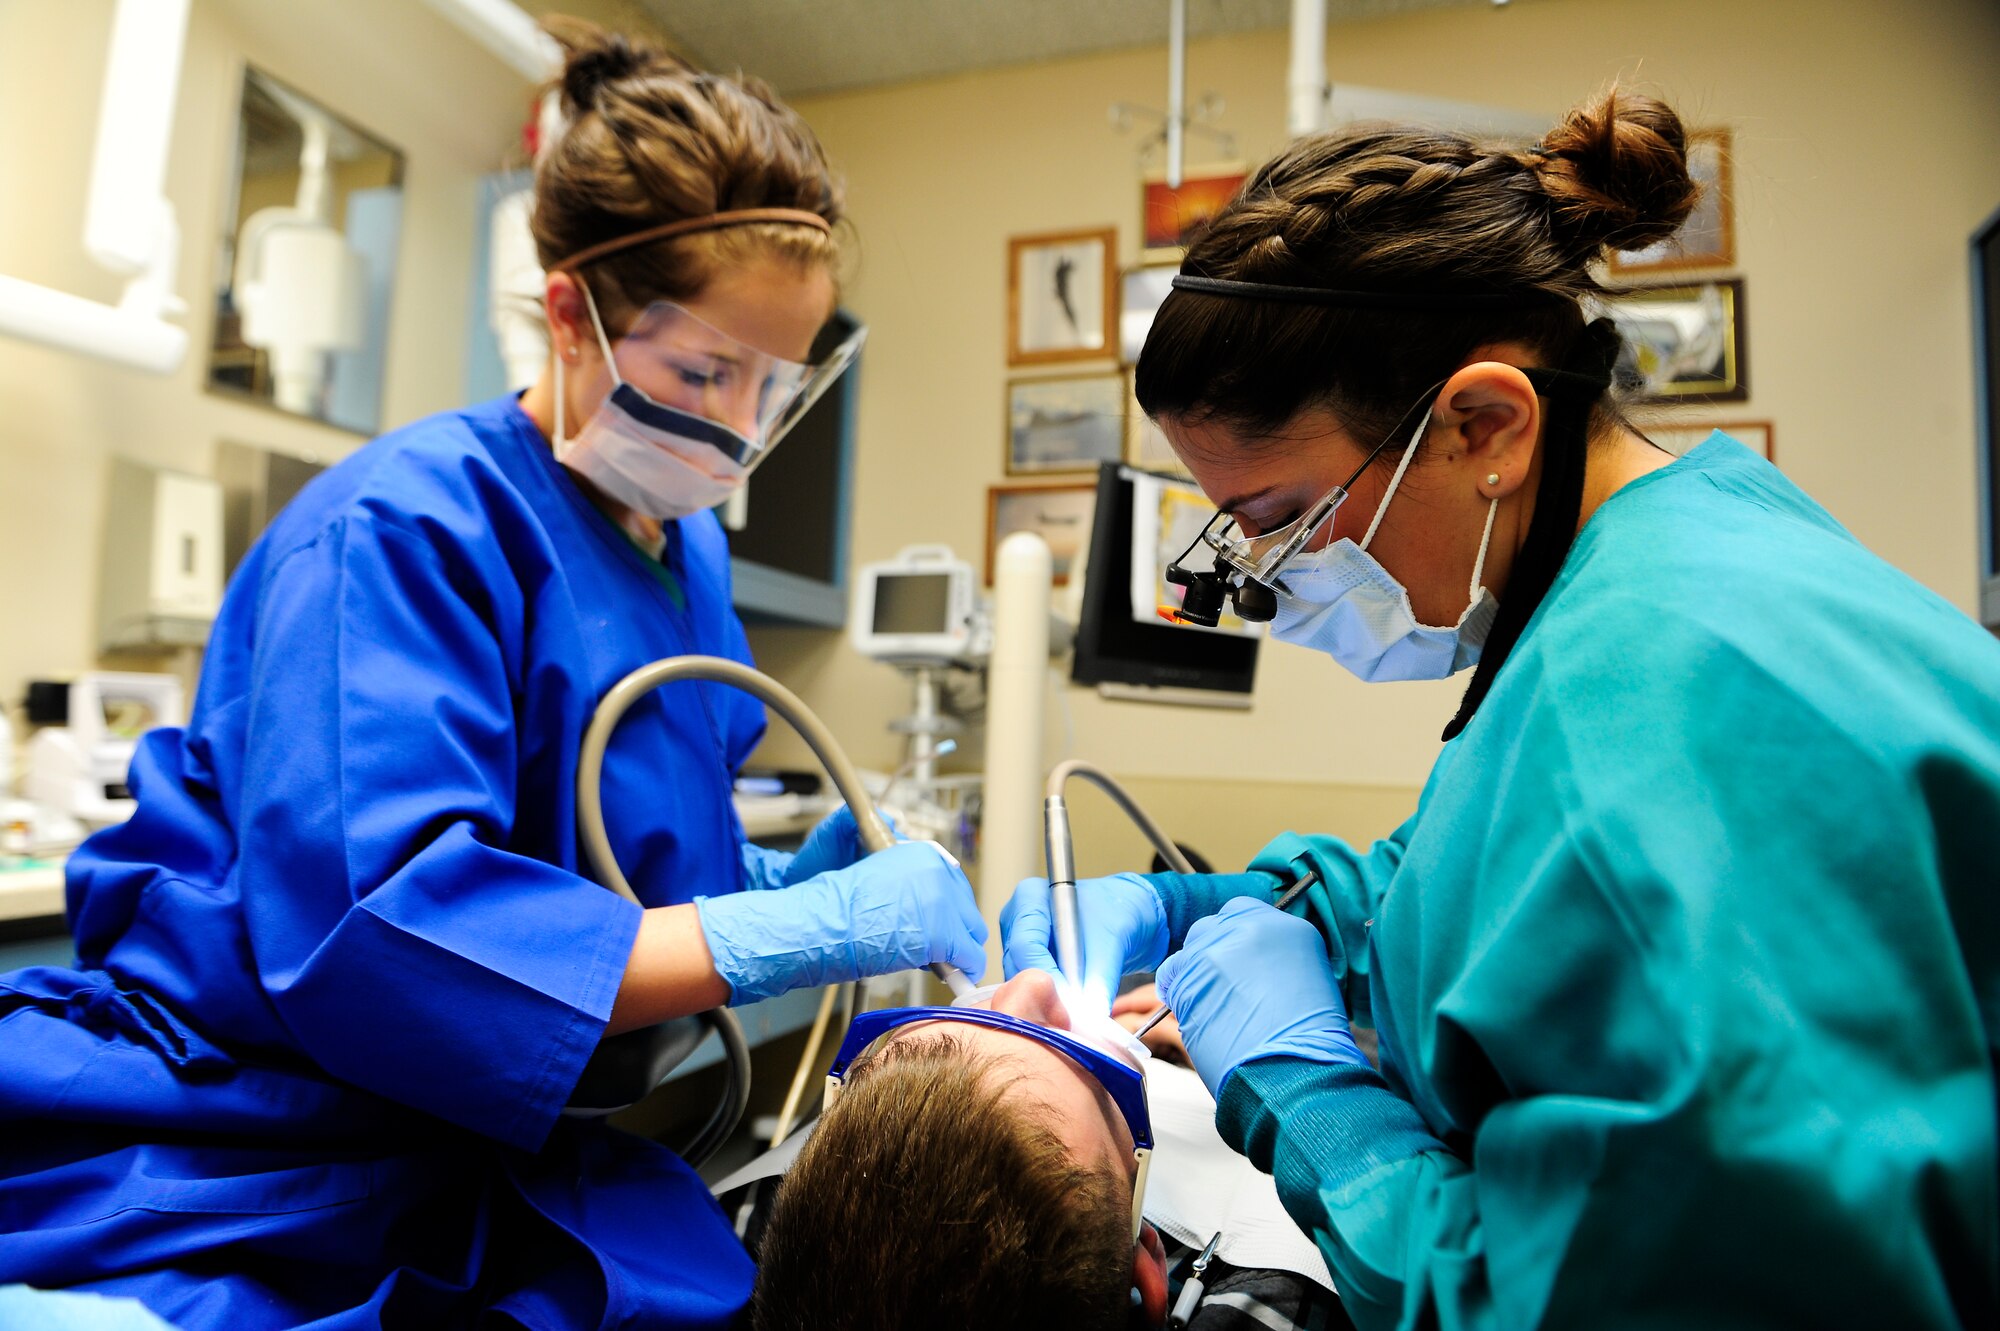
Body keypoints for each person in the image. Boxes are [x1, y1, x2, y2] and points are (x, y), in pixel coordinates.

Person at [0, 19, 984, 1329]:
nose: (741, 431)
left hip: (479, 1129)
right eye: (704, 369)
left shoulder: (678, 551)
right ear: (569, 311)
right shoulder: (401, 532)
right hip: (254, 1115)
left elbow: (606, 858)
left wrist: (762, 887)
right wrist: (775, 939)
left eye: (775, 386)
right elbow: (383, 923)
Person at [1004, 86, 2000, 1329]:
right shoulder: (1657, 568)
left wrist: (1311, 1099)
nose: (1270, 581)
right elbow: (1478, 888)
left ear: (1484, 425)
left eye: (1281, 523)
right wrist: (1197, 905)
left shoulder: (1654, 697)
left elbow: (1609, 1301)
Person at [744, 968, 1349, 1331]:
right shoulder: (1282, 1299)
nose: (1029, 985)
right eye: (1084, 1063)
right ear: (1147, 1273)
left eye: (964, 1022)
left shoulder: (746, 1220)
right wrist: (1285, 1077)